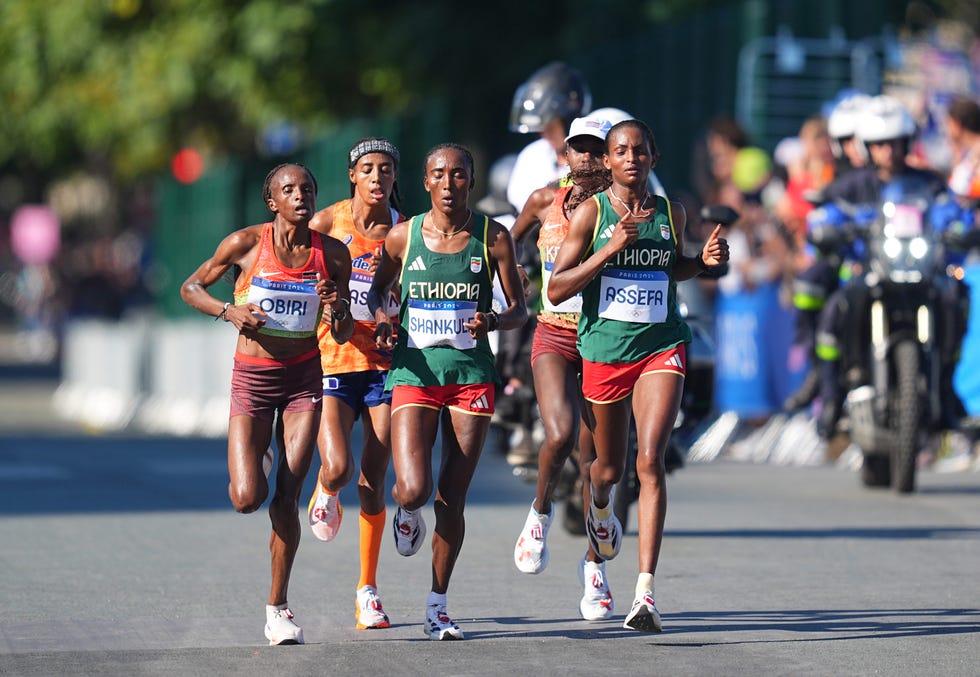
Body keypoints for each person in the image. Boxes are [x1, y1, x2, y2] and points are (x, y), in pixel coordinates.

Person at [548, 119, 729, 632]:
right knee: (605, 470)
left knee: (648, 462)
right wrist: (606, 250)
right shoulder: (592, 213)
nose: (632, 158)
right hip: (605, 353)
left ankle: (644, 593)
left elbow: (673, 268)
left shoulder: (672, 212)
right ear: (607, 161)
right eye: (621, 151)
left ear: (654, 156)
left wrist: (704, 262)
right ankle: (600, 507)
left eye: (640, 150)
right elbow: (557, 289)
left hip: (660, 346)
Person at [179, 163, 354, 645]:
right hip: (253, 382)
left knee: (286, 499)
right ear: (272, 202)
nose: (301, 196)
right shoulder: (245, 245)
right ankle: (263, 452)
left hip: (303, 381)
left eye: (309, 190)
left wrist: (336, 305)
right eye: (289, 190)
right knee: (246, 498)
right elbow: (190, 287)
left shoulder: (333, 254)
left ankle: (278, 608)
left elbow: (342, 330)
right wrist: (228, 310)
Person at [367, 143, 528, 640]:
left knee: (451, 498)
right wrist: (382, 319)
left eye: (459, 175)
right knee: (413, 489)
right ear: (425, 182)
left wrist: (494, 319)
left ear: (471, 182)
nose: (449, 183)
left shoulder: (494, 238)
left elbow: (521, 309)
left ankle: (438, 604)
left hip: (471, 378)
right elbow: (378, 292)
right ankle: (406, 512)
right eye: (439, 174)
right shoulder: (402, 237)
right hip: (415, 373)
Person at [306, 137, 405, 630]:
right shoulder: (328, 222)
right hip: (334, 359)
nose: (376, 177)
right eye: (367, 168)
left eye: (385, 169)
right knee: (339, 468)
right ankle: (324, 488)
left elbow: (410, 291)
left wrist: (394, 313)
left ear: (394, 178)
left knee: (372, 483)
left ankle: (367, 591)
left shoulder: (406, 232)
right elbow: (294, 263)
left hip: (385, 366)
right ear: (352, 175)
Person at [509, 113, 613, 582]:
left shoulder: (627, 206)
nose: (588, 158)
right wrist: (514, 289)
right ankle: (539, 514)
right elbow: (501, 247)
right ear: (564, 154)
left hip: (605, 336)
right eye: (580, 149)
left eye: (597, 149)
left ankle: (595, 566)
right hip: (554, 330)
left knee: (595, 462)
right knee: (560, 432)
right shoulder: (544, 199)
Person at [812, 95, 951, 437]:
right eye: (879, 145)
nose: (887, 151)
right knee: (837, 310)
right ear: (868, 148)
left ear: (907, 143)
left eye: (894, 143)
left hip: (919, 269)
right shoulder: (852, 185)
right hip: (869, 270)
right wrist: (828, 225)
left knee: (952, 298)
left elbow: (950, 210)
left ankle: (945, 388)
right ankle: (833, 394)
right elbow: (826, 211)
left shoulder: (929, 182)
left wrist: (959, 224)